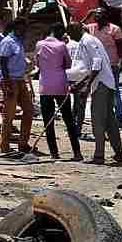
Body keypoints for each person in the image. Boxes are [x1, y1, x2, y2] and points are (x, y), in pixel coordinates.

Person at [67, 22, 122, 166]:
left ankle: (99, 156)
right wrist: (80, 84)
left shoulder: (87, 40)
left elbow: (97, 62)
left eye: (71, 32)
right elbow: (88, 68)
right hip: (104, 83)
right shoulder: (86, 41)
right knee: (110, 122)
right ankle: (119, 154)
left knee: (98, 120)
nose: (71, 36)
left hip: (102, 84)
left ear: (78, 29)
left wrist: (86, 86)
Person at [36, 24, 82, 161]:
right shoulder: (62, 46)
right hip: (61, 86)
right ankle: (77, 152)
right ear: (59, 32)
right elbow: (68, 64)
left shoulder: (39, 44)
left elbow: (37, 64)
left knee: (48, 121)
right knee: (68, 120)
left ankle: (54, 153)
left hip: (45, 86)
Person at [0, 18, 33, 155]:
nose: (24, 30)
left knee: (29, 111)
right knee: (9, 114)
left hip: (20, 79)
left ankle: (23, 143)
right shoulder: (8, 41)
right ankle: (4, 145)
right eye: (22, 28)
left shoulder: (19, 41)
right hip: (10, 80)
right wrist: (7, 84)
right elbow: (3, 62)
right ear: (16, 28)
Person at [86, 8, 122, 123]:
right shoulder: (90, 28)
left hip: (111, 64)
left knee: (114, 90)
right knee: (97, 90)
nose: (97, 15)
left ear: (105, 16)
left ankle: (118, 117)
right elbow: (73, 28)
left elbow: (120, 46)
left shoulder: (115, 29)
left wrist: (121, 61)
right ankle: (101, 116)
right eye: (96, 14)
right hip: (96, 66)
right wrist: (88, 15)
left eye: (99, 13)